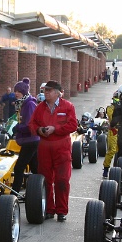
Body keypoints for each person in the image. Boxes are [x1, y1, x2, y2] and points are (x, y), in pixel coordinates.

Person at [28, 80, 78, 222]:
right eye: (45, 90)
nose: (46, 93)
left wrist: (56, 129)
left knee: (62, 180)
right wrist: (39, 130)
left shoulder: (68, 106)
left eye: (49, 90)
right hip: (44, 147)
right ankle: (49, 209)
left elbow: (73, 125)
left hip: (62, 148)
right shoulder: (39, 108)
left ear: (57, 93)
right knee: (46, 179)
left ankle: (61, 211)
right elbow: (32, 124)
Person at [11, 78, 39, 192]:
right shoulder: (24, 104)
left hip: (30, 140)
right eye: (15, 91)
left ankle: (14, 193)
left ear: (24, 92)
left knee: (19, 168)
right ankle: (40, 190)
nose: (16, 93)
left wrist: (17, 127)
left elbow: (30, 126)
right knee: (35, 168)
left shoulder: (29, 104)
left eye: (18, 91)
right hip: (30, 140)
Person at [102, 91, 120, 177]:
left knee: (121, 150)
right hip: (113, 131)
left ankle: (118, 168)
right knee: (112, 150)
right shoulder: (110, 108)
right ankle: (106, 168)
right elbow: (112, 118)